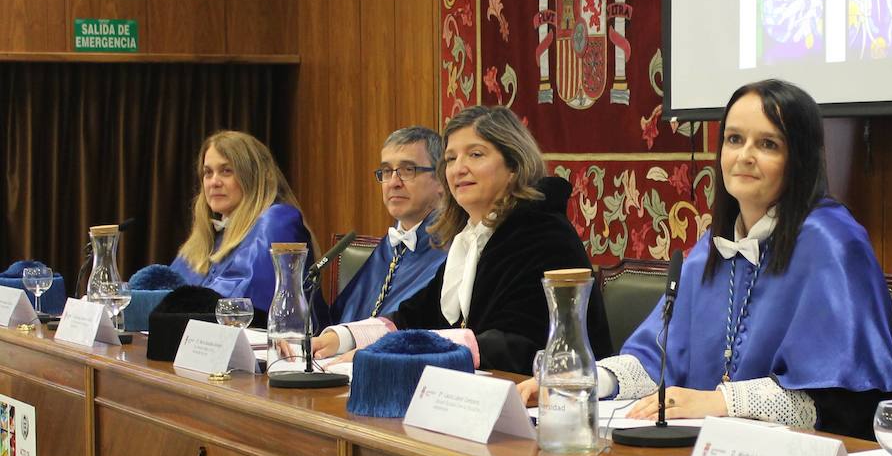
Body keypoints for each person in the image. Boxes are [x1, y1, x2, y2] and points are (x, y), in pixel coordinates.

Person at [520, 79, 892, 438]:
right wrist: (581, 381)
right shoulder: (712, 246)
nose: (745, 156)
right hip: (710, 454)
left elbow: (842, 403)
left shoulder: (833, 243)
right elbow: (657, 358)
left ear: (800, 159)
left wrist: (721, 401)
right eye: (735, 139)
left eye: (768, 144)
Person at [313, 105, 611, 374]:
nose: (459, 168)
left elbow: (518, 344)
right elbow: (413, 316)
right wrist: (342, 337)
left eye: (476, 154)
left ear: (513, 166)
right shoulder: (473, 237)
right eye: (451, 158)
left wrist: (393, 349)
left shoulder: (541, 232)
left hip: (554, 405)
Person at [171, 131, 319, 316]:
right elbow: (166, 291)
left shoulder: (277, 221)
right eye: (208, 173)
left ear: (254, 177)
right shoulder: (208, 237)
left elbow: (238, 304)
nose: (214, 182)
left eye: (226, 171)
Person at [329, 126, 448, 324]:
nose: (393, 182)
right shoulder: (387, 248)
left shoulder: (452, 252)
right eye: (386, 171)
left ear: (441, 179)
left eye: (407, 170)